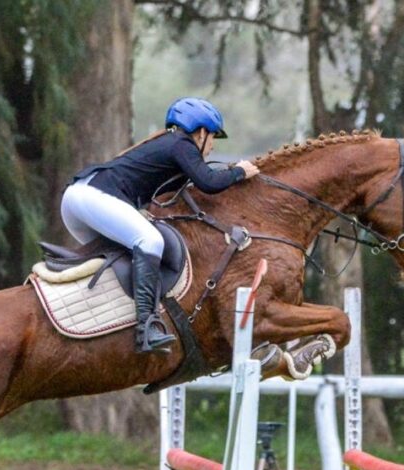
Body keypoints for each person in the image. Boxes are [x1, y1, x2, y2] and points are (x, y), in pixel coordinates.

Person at [61, 97, 260, 354]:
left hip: (78, 201)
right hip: (90, 197)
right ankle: (147, 328)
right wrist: (239, 171)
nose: (211, 147)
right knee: (150, 241)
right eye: (212, 138)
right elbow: (209, 182)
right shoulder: (181, 143)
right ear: (201, 132)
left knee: (123, 258)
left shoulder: (170, 146)